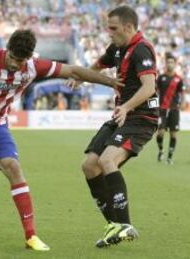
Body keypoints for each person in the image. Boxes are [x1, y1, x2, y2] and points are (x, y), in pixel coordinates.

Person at [0, 29, 123, 251]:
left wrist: (110, 82)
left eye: (21, 60)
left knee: (13, 168)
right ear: (8, 50)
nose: (16, 64)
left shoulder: (34, 66)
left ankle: (31, 235)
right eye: (13, 58)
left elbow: (73, 70)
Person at [78, 6, 158, 248]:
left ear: (128, 27)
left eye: (113, 28)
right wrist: (79, 75)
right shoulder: (117, 48)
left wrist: (126, 107)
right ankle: (114, 225)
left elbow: (149, 87)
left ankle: (125, 225)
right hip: (122, 115)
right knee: (90, 166)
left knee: (107, 161)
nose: (108, 32)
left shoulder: (141, 49)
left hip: (141, 117)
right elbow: (96, 66)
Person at [156, 53, 185, 165]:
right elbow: (155, 92)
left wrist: (182, 103)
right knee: (160, 134)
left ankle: (169, 157)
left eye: (172, 62)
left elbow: (181, 94)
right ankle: (161, 150)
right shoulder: (161, 78)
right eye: (168, 62)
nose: (170, 64)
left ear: (175, 64)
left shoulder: (178, 79)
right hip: (162, 109)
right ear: (165, 64)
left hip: (174, 110)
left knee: (173, 135)